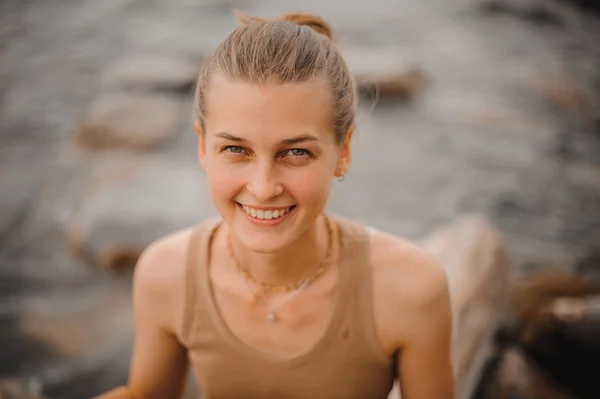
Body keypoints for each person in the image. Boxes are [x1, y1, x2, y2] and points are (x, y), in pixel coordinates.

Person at [95, 10, 454, 399]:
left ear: (344, 151)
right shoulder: (166, 275)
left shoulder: (410, 289)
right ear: (202, 147)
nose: (263, 188)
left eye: (296, 152)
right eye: (236, 149)